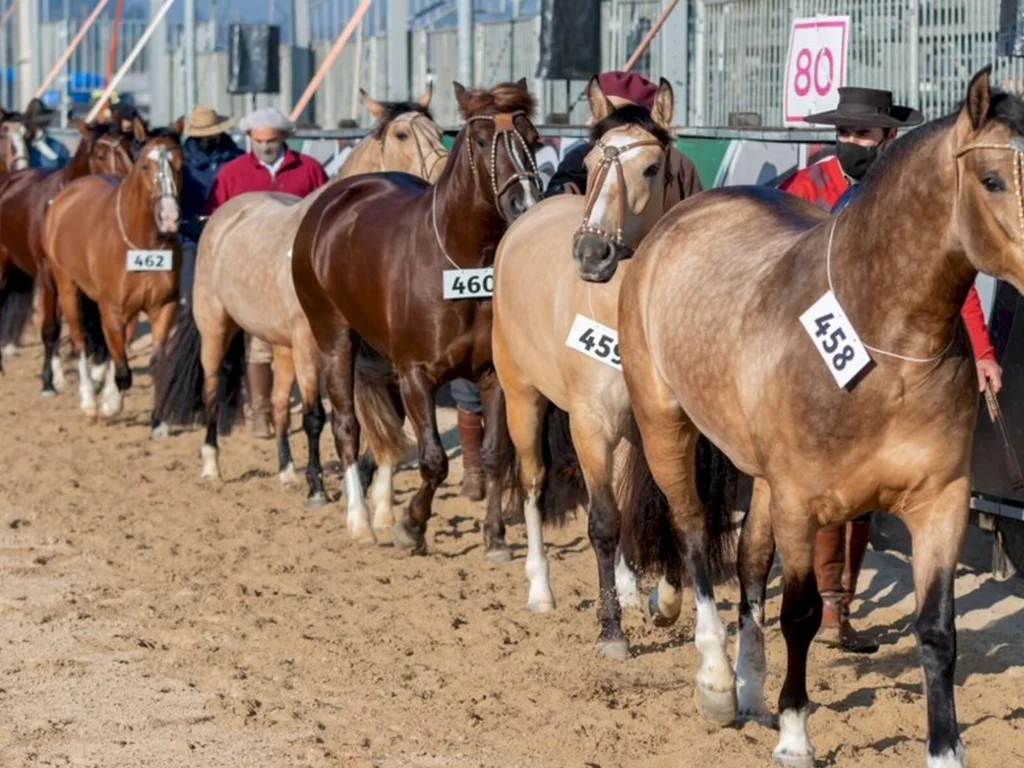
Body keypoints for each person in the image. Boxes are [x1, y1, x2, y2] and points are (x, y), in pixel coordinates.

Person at [783, 87, 1004, 653]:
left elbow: (953, 285)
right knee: (825, 477)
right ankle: (818, 600)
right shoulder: (804, 186)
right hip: (816, 340)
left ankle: (838, 606)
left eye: (865, 134)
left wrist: (980, 350)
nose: (855, 143)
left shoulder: (909, 195)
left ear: (888, 137)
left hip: (894, 355)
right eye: (847, 134)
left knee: (865, 488)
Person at [205, 107, 329, 439]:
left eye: (271, 140)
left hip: (298, 268)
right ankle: (260, 407)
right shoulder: (234, 173)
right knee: (260, 344)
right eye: (258, 141)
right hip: (253, 265)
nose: (264, 147)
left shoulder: (310, 170)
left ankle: (289, 403)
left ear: (284, 138)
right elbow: (216, 212)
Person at [543, 70, 703, 200]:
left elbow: (696, 217)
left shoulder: (678, 164)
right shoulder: (582, 157)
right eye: (596, 110)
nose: (590, 122)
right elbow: (557, 204)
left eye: (612, 115)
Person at [179, 105, 243, 303]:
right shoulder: (181, 161)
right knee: (190, 294)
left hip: (228, 233)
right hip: (190, 232)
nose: (206, 140)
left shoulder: (236, 159)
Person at [23, 98, 70, 171]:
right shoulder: (19, 150)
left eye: (41, 124)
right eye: (34, 125)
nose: (39, 130)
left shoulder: (59, 149)